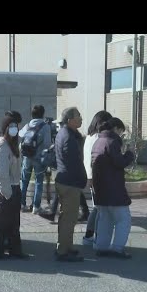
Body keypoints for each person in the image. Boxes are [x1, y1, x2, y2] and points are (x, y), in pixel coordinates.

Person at [0, 111, 29, 259]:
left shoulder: (12, 144)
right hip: (6, 189)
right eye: (10, 126)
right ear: (5, 128)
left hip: (14, 187)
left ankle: (15, 250)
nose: (14, 128)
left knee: (14, 222)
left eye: (15, 126)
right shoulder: (3, 146)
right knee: (2, 222)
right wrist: (7, 193)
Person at [92, 118, 134, 259]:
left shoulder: (98, 141)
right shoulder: (112, 141)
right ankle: (117, 248)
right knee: (124, 219)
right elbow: (119, 162)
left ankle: (101, 247)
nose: (122, 134)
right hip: (114, 188)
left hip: (100, 188)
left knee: (105, 219)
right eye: (121, 131)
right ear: (116, 128)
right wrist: (129, 154)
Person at [54, 107, 86, 262]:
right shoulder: (68, 137)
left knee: (68, 217)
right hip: (70, 182)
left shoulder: (65, 133)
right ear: (69, 120)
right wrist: (81, 178)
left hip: (64, 180)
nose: (81, 118)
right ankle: (62, 251)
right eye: (78, 116)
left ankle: (67, 245)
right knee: (68, 218)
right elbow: (74, 162)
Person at [81, 110, 113, 245]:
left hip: (90, 174)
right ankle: (96, 238)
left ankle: (89, 236)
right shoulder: (98, 138)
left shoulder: (89, 136)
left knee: (97, 207)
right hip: (97, 175)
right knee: (101, 209)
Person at [19, 105, 52, 214]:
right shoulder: (45, 126)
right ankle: (36, 207)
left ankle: (22, 204)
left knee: (24, 181)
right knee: (38, 182)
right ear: (43, 114)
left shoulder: (28, 125)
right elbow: (47, 143)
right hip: (39, 158)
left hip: (27, 157)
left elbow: (21, 135)